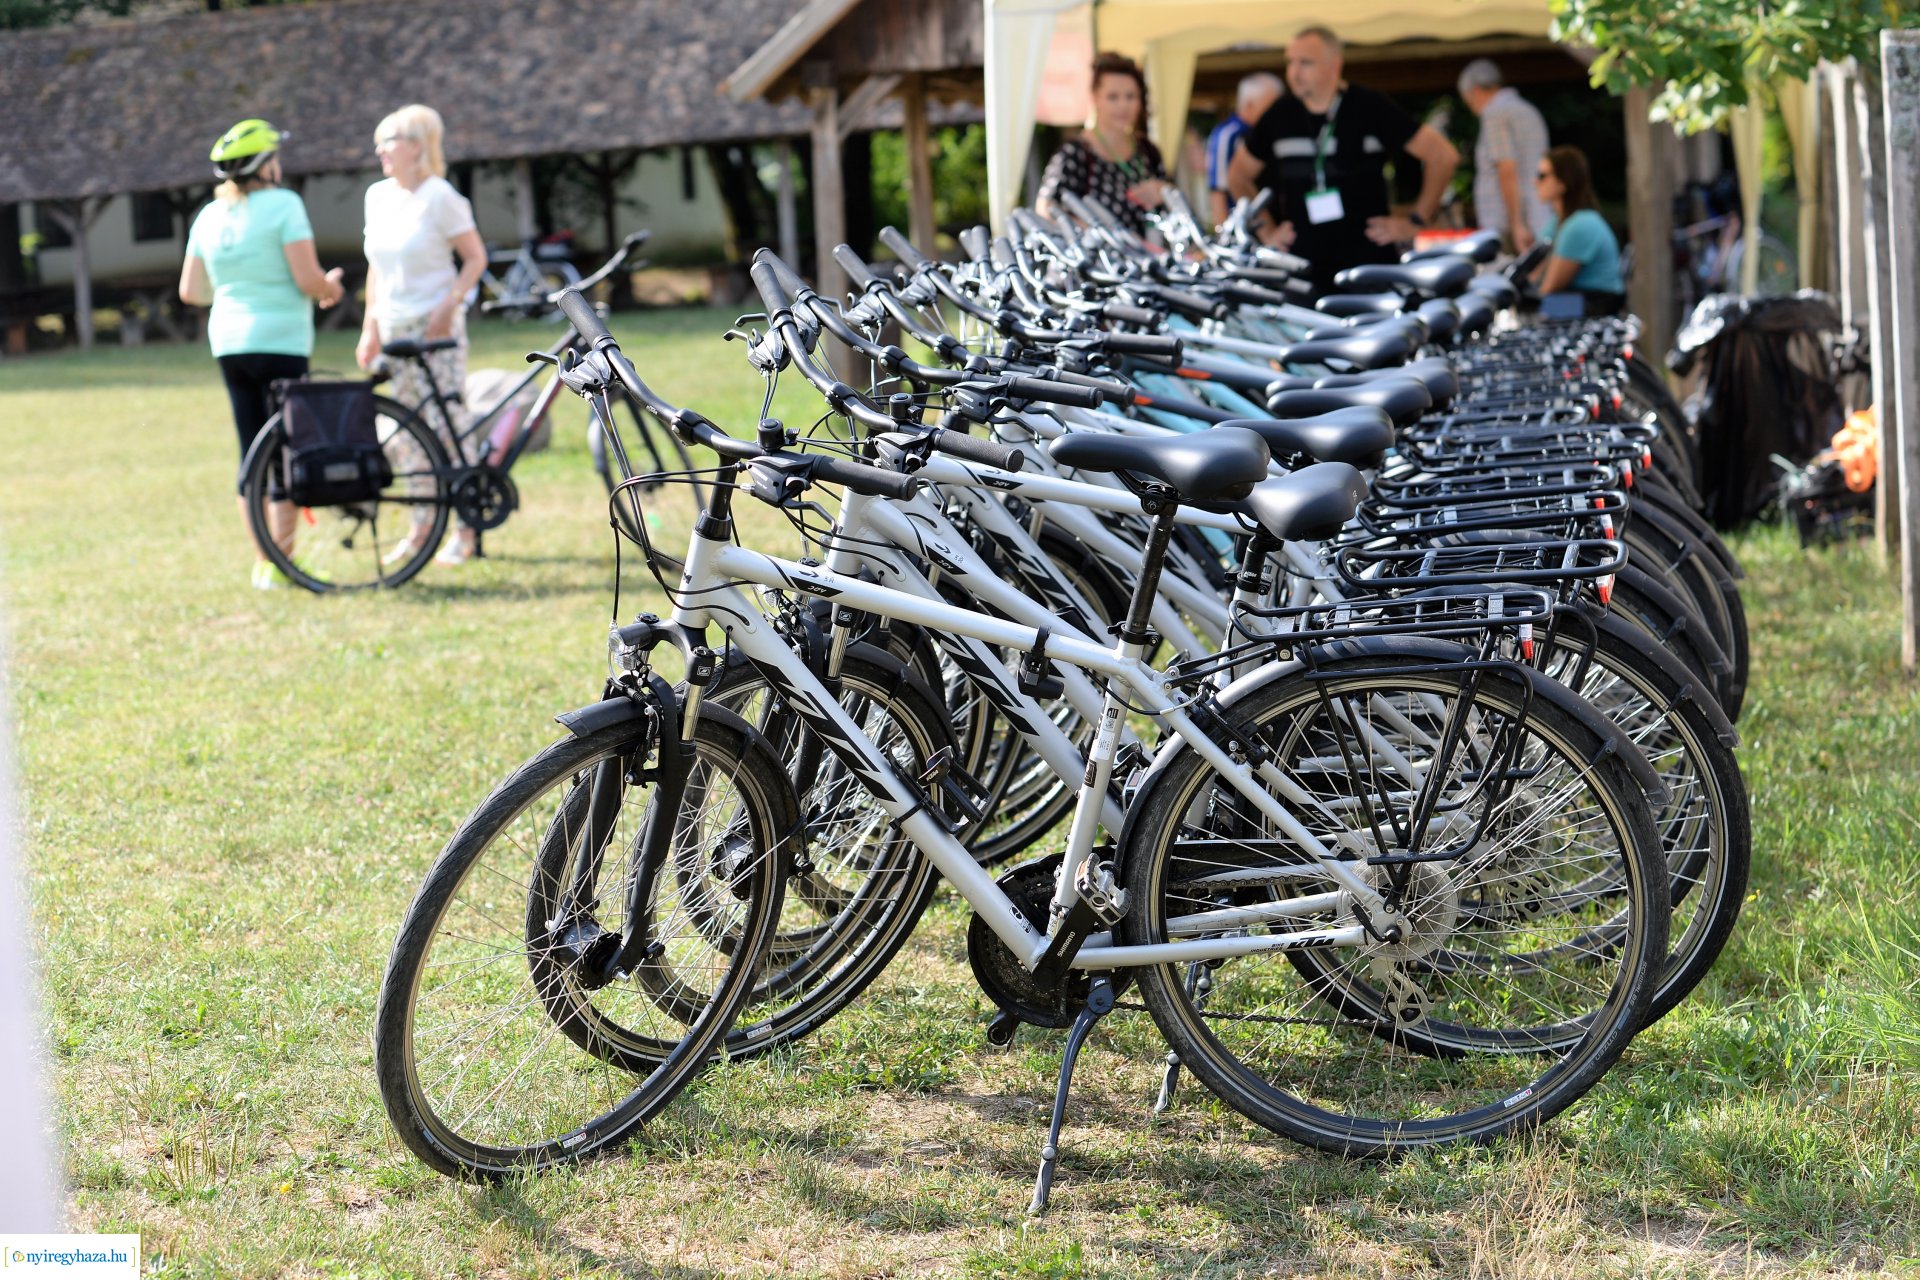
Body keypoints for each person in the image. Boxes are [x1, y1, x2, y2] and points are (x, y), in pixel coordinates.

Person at [177, 118, 346, 590]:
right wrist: (329, 287)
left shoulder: (208, 216)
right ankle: (285, 561)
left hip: (229, 341)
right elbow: (306, 279)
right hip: (281, 340)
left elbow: (191, 290)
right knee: (286, 453)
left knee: (250, 451)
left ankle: (263, 564)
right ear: (265, 165)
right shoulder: (284, 205)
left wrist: (237, 291)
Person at [1227, 26, 1459, 293]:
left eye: (1306, 63)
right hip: (1302, 268)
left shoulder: (1369, 107)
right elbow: (1237, 176)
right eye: (1290, 62)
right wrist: (1266, 231)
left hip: (1368, 267)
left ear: (1335, 66)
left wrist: (1416, 221)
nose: (1294, 72)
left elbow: (1443, 156)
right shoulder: (1280, 115)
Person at [356, 104, 488, 565]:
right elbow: (377, 269)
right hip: (394, 328)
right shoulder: (377, 196)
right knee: (408, 431)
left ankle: (466, 530)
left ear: (415, 146)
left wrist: (449, 304)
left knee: (448, 424)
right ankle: (421, 528)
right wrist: (369, 325)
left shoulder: (440, 196)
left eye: (388, 140)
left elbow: (475, 259)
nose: (380, 150)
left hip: (436, 331)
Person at [1035, 52, 1173, 238]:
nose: (1123, 105)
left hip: (1147, 257)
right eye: (1113, 97)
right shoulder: (1076, 153)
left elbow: (1173, 205)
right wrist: (1099, 232)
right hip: (1096, 262)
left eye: (1131, 96)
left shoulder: (1147, 150)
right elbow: (1046, 207)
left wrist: (1163, 190)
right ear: (1096, 98)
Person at [1457, 58, 1551, 254]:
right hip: (1539, 213)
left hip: (1510, 224)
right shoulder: (1528, 109)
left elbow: (1507, 170)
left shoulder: (1495, 114)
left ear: (1475, 90)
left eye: (1467, 99)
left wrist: (1517, 224)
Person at [1533, 145, 1624, 314]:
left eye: (1542, 176)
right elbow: (1533, 269)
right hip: (1579, 299)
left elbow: (1549, 287)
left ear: (1562, 183)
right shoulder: (1558, 222)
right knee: (1530, 306)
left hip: (1597, 303)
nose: (1535, 182)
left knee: (1536, 309)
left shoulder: (1580, 224)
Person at [1206, 73, 1283, 228]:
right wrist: (1225, 237)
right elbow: (1218, 191)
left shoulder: (1268, 134)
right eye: (1270, 107)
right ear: (1249, 105)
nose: (1276, 114)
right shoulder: (1229, 135)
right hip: (1243, 228)